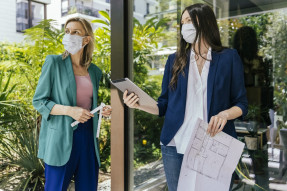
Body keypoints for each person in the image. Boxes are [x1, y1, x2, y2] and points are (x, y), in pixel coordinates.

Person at [123, 3, 248, 191]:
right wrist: (138, 104)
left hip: (213, 143)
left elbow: (241, 103)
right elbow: (163, 105)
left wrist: (224, 115)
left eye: (189, 20)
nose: (185, 26)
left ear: (205, 21)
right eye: (183, 22)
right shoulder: (174, 60)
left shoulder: (229, 57)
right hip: (175, 145)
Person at [32, 17, 112, 191]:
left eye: (75, 32)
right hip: (60, 137)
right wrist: (69, 111)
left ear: (86, 39)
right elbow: (39, 101)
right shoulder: (54, 63)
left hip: (88, 138)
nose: (70, 35)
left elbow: (89, 105)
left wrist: (102, 111)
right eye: (67, 31)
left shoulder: (95, 71)